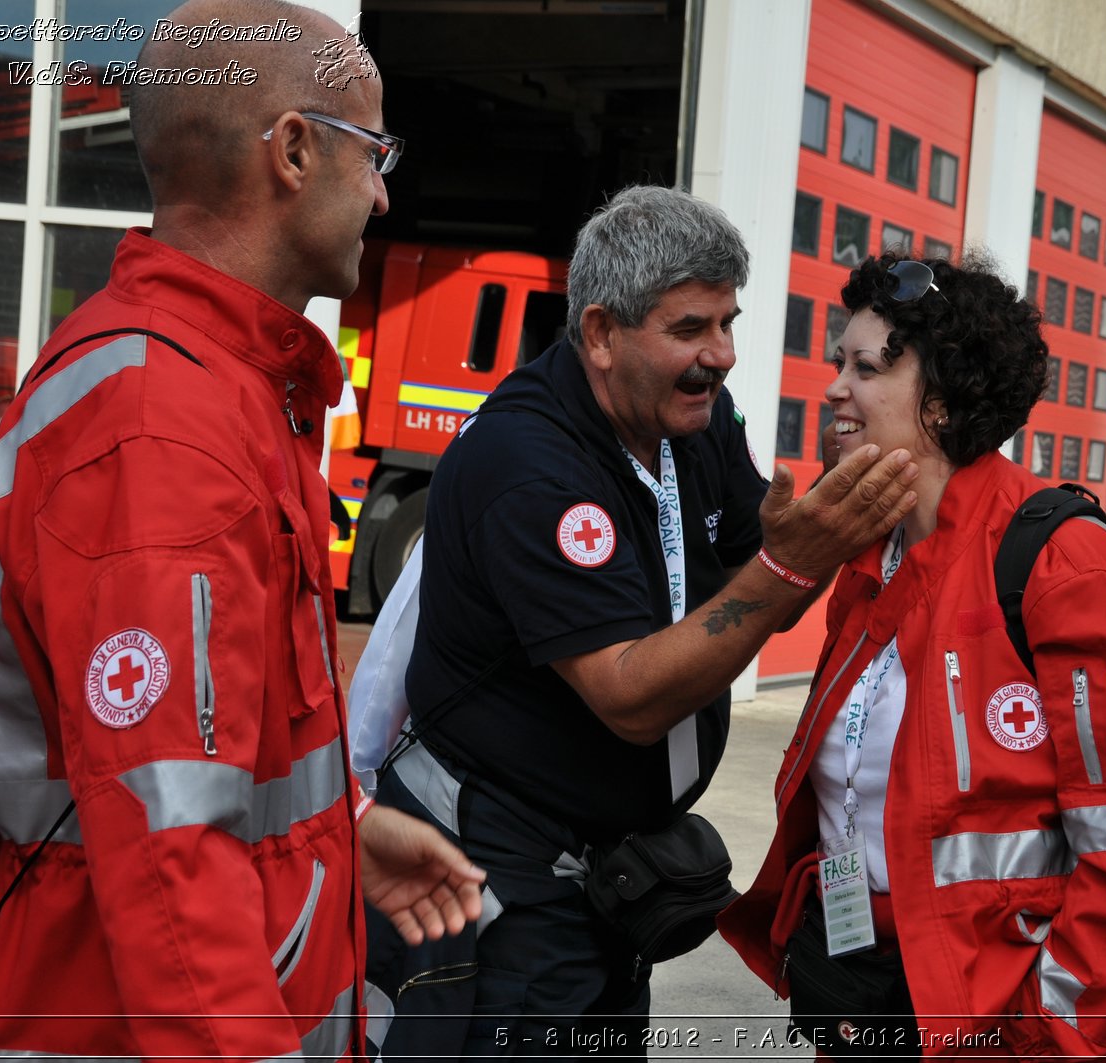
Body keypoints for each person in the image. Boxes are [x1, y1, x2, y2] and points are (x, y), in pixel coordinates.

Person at [0, 1, 484, 1057]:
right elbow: (168, 851)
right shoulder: (165, 428)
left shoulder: (223, 389)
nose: (384, 192)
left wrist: (343, 825)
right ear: (292, 150)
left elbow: (200, 760)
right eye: (374, 153)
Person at [367, 184, 919, 1057]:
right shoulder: (530, 462)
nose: (724, 354)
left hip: (610, 874)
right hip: (497, 878)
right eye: (692, 328)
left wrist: (831, 528)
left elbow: (759, 553)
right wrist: (793, 565)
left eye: (729, 322)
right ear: (599, 334)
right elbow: (630, 693)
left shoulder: (689, 420)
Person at [717, 253, 1106, 1059]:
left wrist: (1044, 1039)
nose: (834, 388)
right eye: (838, 361)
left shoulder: (1068, 570)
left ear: (943, 403)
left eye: (868, 366)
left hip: (1006, 1027)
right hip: (868, 994)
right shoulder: (870, 555)